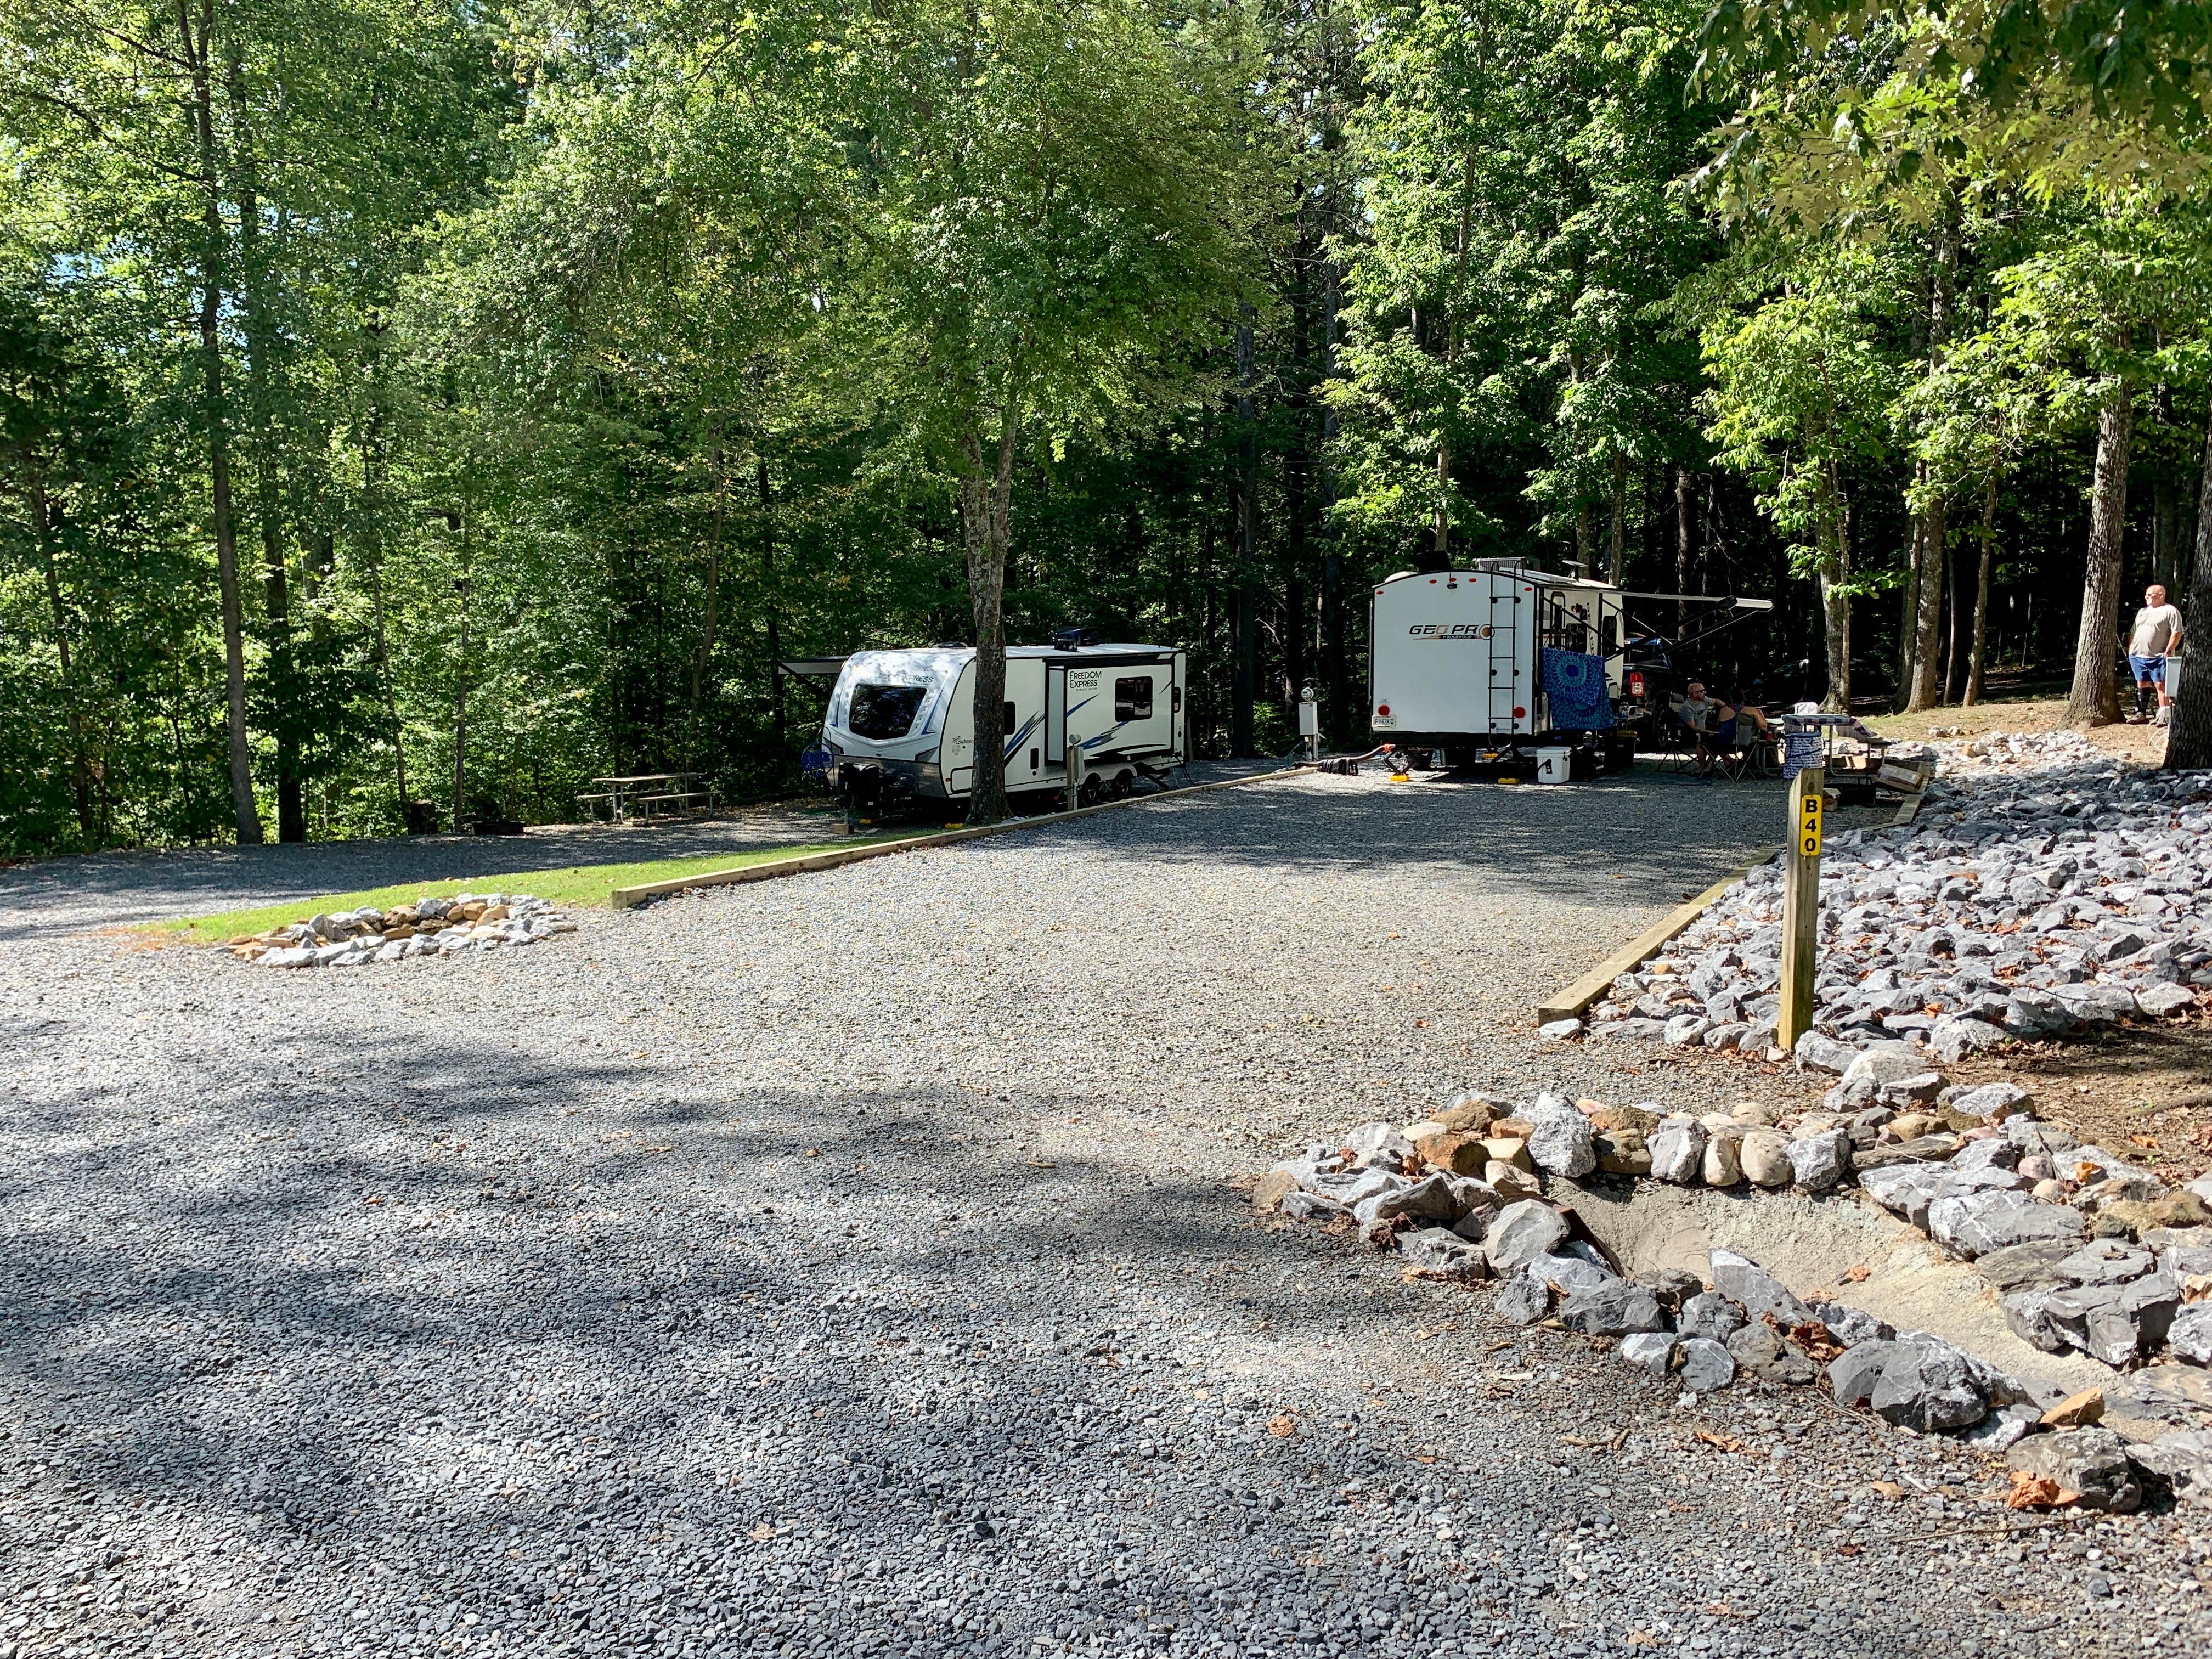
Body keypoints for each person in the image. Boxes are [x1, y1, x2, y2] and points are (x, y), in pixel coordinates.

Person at [2126, 583, 2185, 726]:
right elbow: (2134, 631)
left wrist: (2170, 649)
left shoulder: (2170, 611)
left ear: (2161, 595)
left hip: (2159, 656)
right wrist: (2131, 649)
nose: (2147, 597)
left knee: (2161, 684)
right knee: (2142, 682)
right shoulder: (2142, 612)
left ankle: (2164, 716)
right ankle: (2140, 713)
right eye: (2146, 595)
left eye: (2150, 595)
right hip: (2138, 655)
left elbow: (2177, 632)